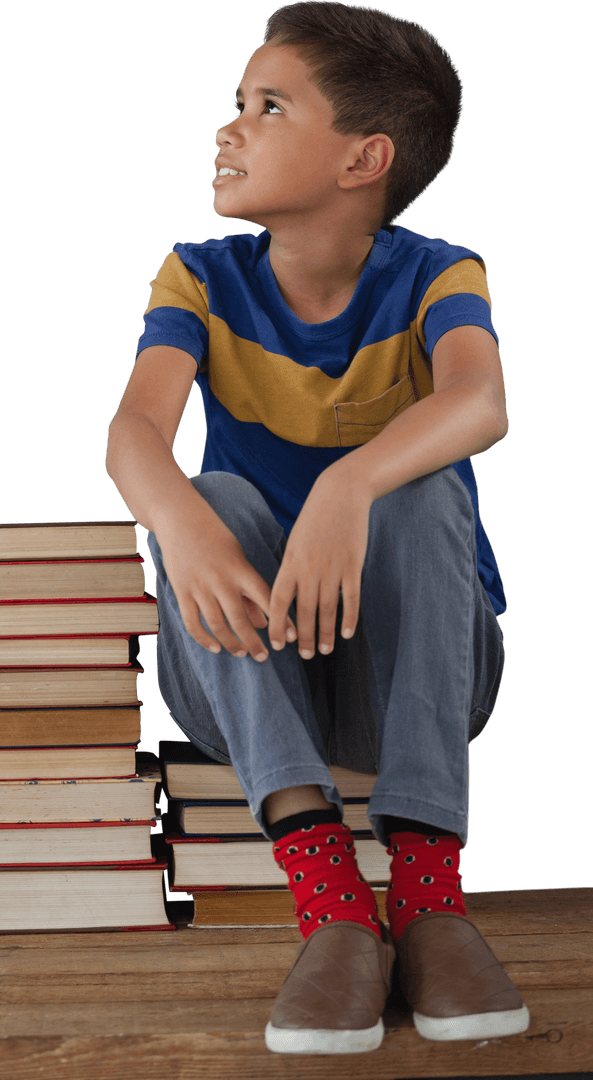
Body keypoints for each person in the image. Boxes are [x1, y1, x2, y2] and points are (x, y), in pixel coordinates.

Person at [105, 0, 529, 1055]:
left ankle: (429, 897)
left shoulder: (439, 272)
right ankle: (334, 902)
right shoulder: (199, 277)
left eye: (269, 105)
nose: (229, 127)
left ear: (363, 159)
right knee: (221, 498)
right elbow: (132, 435)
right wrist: (187, 526)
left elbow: (480, 405)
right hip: (252, 668)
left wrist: (348, 487)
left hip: (418, 676)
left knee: (426, 488)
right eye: (235, 103)